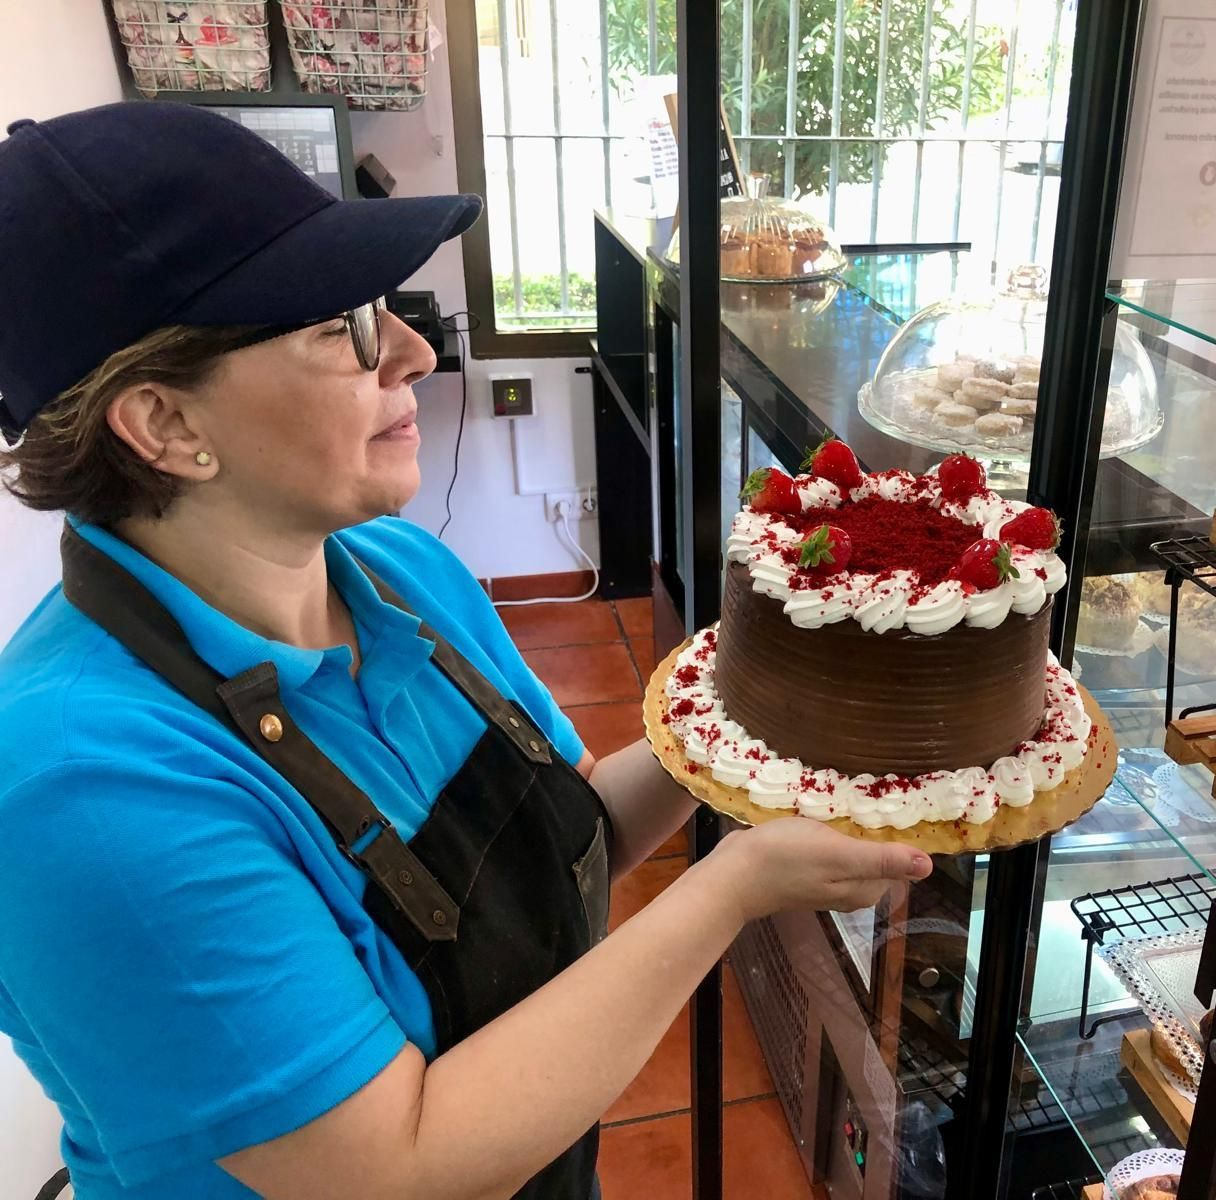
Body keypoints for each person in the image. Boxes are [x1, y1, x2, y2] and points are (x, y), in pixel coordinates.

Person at [0, 102, 931, 1200]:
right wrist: (732, 886)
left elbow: (575, 827)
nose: (414, 349)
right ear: (164, 426)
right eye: (337, 329)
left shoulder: (399, 568)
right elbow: (397, 1165)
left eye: (383, 309)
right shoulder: (84, 789)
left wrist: (750, 689)